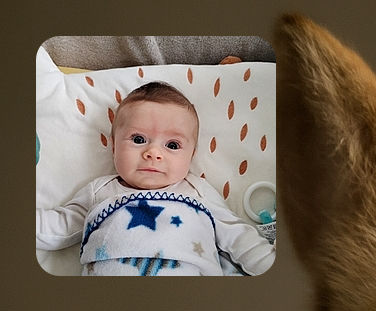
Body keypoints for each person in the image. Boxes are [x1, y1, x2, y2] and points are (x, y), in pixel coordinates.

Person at [36, 82, 275, 276]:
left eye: (172, 145)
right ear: (113, 147)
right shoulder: (100, 191)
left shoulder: (196, 190)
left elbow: (238, 237)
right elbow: (59, 227)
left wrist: (270, 264)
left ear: (191, 155)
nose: (153, 153)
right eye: (138, 139)